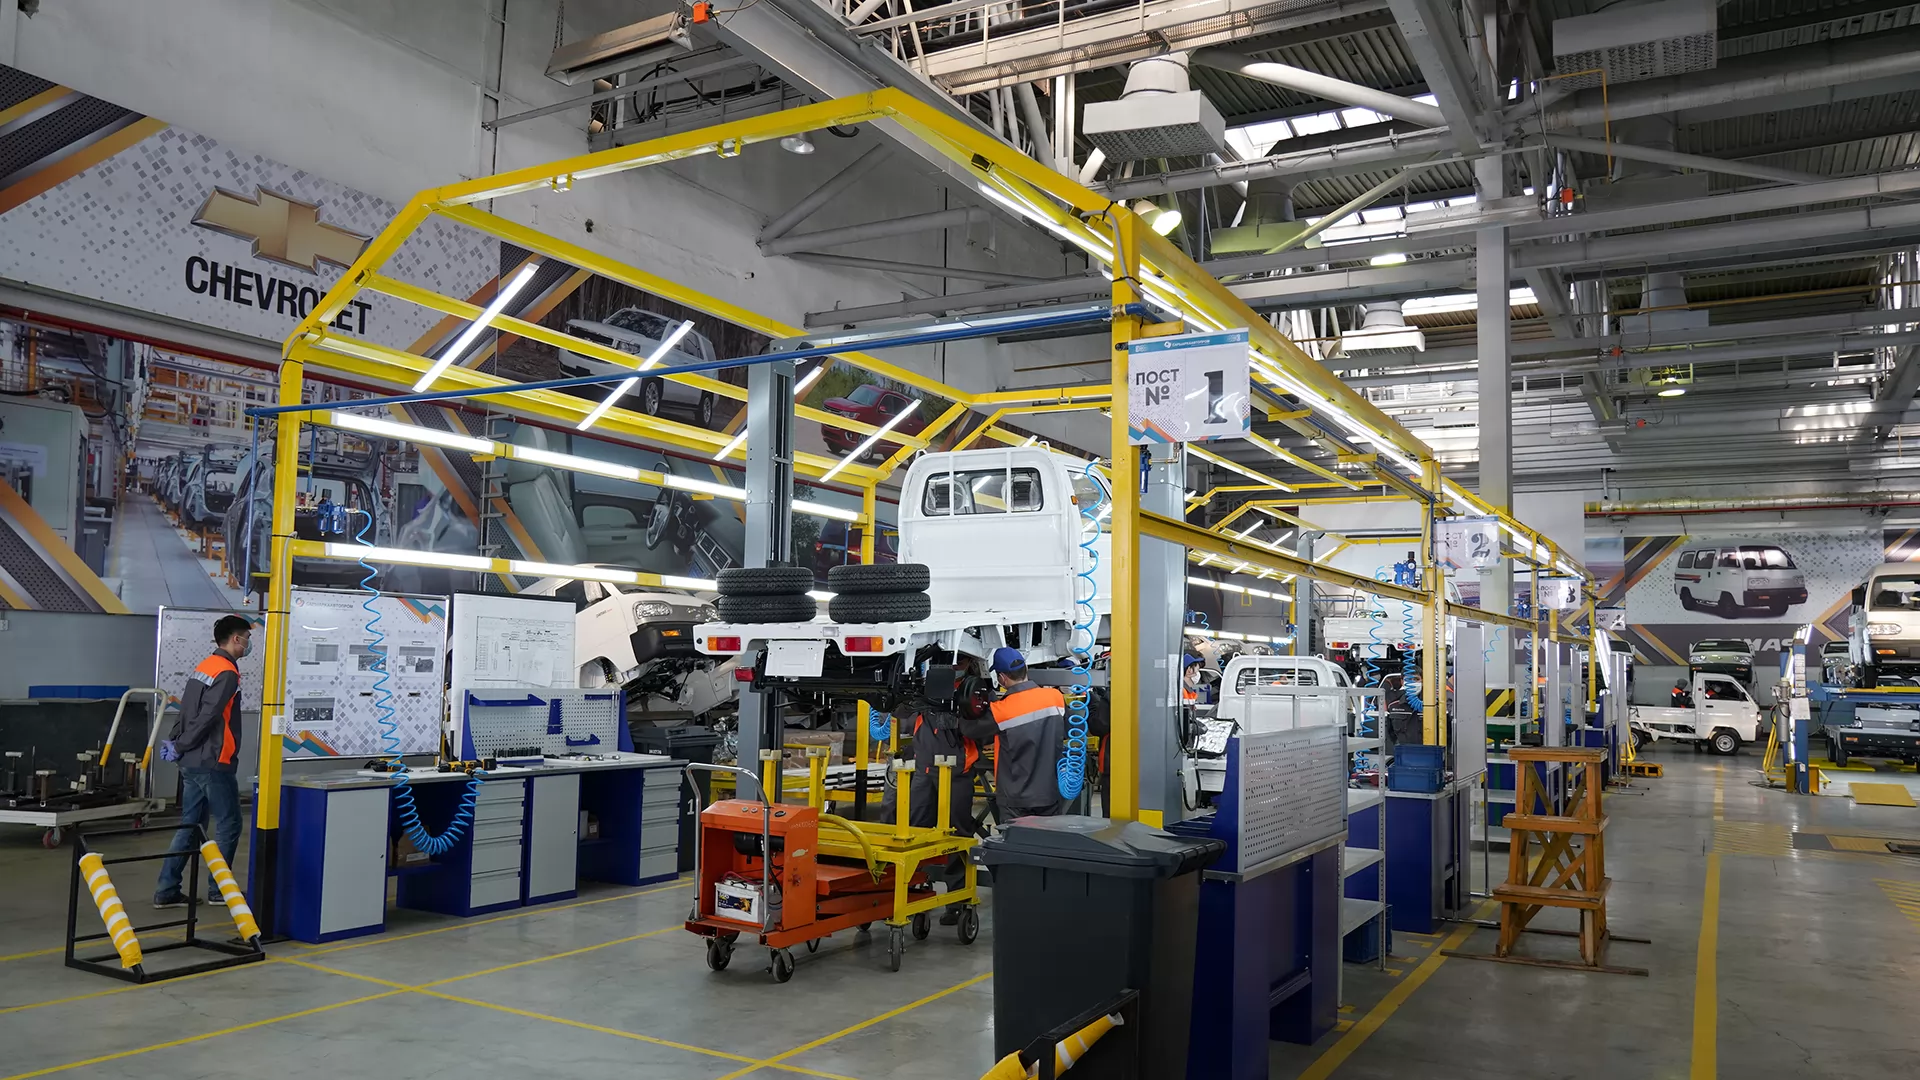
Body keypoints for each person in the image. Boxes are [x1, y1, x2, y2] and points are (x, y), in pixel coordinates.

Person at [154, 614, 252, 908]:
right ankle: (219, 890)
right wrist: (182, 743)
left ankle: (167, 890)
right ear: (236, 639)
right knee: (229, 824)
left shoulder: (205, 666)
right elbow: (208, 717)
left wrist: (177, 743)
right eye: (247, 638)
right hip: (213, 760)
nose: (249, 644)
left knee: (191, 825)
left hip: (191, 761)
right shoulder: (227, 672)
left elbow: (187, 710)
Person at [905, 664, 999, 922]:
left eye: (958, 661)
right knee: (916, 832)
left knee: (958, 835)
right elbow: (902, 713)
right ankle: (916, 889)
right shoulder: (924, 682)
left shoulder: (976, 688)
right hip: (924, 770)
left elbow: (988, 726)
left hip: (957, 771)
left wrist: (961, 722)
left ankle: (958, 898)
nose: (952, 665)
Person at [987, 646, 1068, 820]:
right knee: (1048, 836)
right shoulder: (1055, 697)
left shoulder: (1000, 709)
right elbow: (1068, 731)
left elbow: (970, 730)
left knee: (1015, 838)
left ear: (1002, 678)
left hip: (1016, 799)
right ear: (1025, 669)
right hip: (1049, 794)